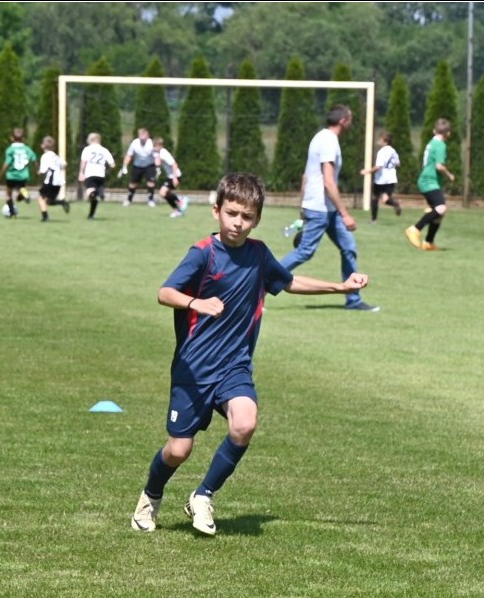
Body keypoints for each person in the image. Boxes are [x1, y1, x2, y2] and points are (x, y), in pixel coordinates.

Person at [131, 172, 370, 536]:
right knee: (179, 450)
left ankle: (203, 495)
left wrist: (340, 286)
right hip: (194, 369)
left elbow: (288, 282)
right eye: (232, 213)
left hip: (234, 366)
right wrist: (197, 301)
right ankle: (151, 495)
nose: (238, 222)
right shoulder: (203, 254)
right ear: (216, 211)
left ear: (256, 219)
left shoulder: (258, 254)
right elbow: (165, 292)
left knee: (244, 423)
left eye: (246, 216)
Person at [280, 105, 378, 312]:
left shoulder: (320, 137)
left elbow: (306, 176)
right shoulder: (328, 141)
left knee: (348, 248)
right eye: (350, 118)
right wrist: (345, 214)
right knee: (304, 252)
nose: (351, 122)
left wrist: (302, 205)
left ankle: (353, 299)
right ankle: (260, 282)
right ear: (343, 121)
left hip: (325, 208)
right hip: (320, 209)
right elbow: (328, 181)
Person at [405, 118, 455, 251]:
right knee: (441, 208)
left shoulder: (432, 142)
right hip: (429, 181)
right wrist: (449, 175)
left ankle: (429, 242)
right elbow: (439, 166)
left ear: (434, 130)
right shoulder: (441, 145)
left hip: (427, 180)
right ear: (448, 133)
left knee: (439, 212)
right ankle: (415, 229)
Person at [359, 131, 402, 224]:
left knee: (375, 198)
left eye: (380, 140)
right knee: (385, 199)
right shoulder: (393, 151)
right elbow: (398, 163)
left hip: (380, 179)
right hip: (391, 179)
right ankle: (395, 203)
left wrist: (367, 171)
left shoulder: (381, 152)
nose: (378, 141)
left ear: (385, 141)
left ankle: (374, 220)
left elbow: (378, 166)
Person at [0, 127, 37, 218]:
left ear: (11, 138)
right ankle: (24, 192)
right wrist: (37, 169)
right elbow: (34, 158)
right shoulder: (27, 149)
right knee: (20, 188)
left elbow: (7, 163)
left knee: (8, 194)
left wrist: (2, 173)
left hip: (12, 175)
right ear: (24, 138)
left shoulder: (10, 150)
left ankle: (12, 213)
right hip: (23, 175)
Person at [78, 132, 116, 220]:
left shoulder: (87, 149)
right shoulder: (104, 150)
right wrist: (107, 171)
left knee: (90, 194)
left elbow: (83, 161)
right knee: (93, 198)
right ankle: (91, 215)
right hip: (101, 175)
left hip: (90, 174)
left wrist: (81, 172)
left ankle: (96, 193)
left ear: (90, 140)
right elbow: (113, 165)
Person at [119, 128, 158, 208]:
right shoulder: (134, 143)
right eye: (141, 134)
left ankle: (151, 200)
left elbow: (156, 156)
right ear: (138, 135)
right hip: (137, 166)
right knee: (133, 184)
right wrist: (124, 166)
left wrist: (157, 167)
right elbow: (129, 155)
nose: (142, 136)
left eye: (144, 134)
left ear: (148, 135)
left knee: (151, 182)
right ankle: (128, 200)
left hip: (149, 165)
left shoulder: (151, 143)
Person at [151, 137, 189, 218]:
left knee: (162, 193)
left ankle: (179, 201)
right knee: (167, 193)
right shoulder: (159, 153)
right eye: (153, 146)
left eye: (155, 146)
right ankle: (178, 208)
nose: (154, 147)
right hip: (170, 176)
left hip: (175, 176)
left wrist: (175, 178)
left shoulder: (163, 153)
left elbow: (174, 164)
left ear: (160, 145)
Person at [36, 135, 70, 222]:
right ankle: (62, 202)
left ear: (42, 145)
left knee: (40, 198)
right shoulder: (55, 156)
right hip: (59, 181)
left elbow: (43, 170)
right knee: (48, 201)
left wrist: (39, 172)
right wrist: (60, 169)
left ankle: (45, 217)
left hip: (51, 180)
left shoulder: (45, 156)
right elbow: (65, 164)